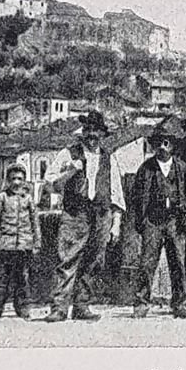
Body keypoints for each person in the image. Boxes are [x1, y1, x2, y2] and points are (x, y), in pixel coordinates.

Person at [44, 111, 126, 322]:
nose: (92, 135)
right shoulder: (68, 154)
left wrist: (116, 224)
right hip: (75, 214)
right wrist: (70, 171)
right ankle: (59, 308)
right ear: (83, 132)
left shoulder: (109, 158)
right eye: (88, 130)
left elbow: (116, 194)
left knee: (93, 262)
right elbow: (50, 184)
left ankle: (82, 305)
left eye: (96, 131)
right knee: (67, 259)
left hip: (101, 215)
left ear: (102, 134)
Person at [130, 124, 186, 319]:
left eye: (166, 142)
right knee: (147, 263)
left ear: (173, 145)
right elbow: (136, 197)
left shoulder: (181, 168)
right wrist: (141, 221)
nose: (162, 146)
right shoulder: (146, 168)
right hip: (153, 221)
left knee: (178, 262)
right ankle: (141, 304)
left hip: (175, 220)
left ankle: (180, 303)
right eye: (158, 143)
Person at [0, 164, 41, 319]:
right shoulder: (1, 197)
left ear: (24, 181)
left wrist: (37, 243)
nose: (16, 182)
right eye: (13, 179)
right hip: (6, 244)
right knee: (2, 279)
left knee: (22, 279)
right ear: (8, 180)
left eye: (20, 179)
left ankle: (22, 309)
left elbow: (35, 222)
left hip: (24, 245)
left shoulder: (28, 199)